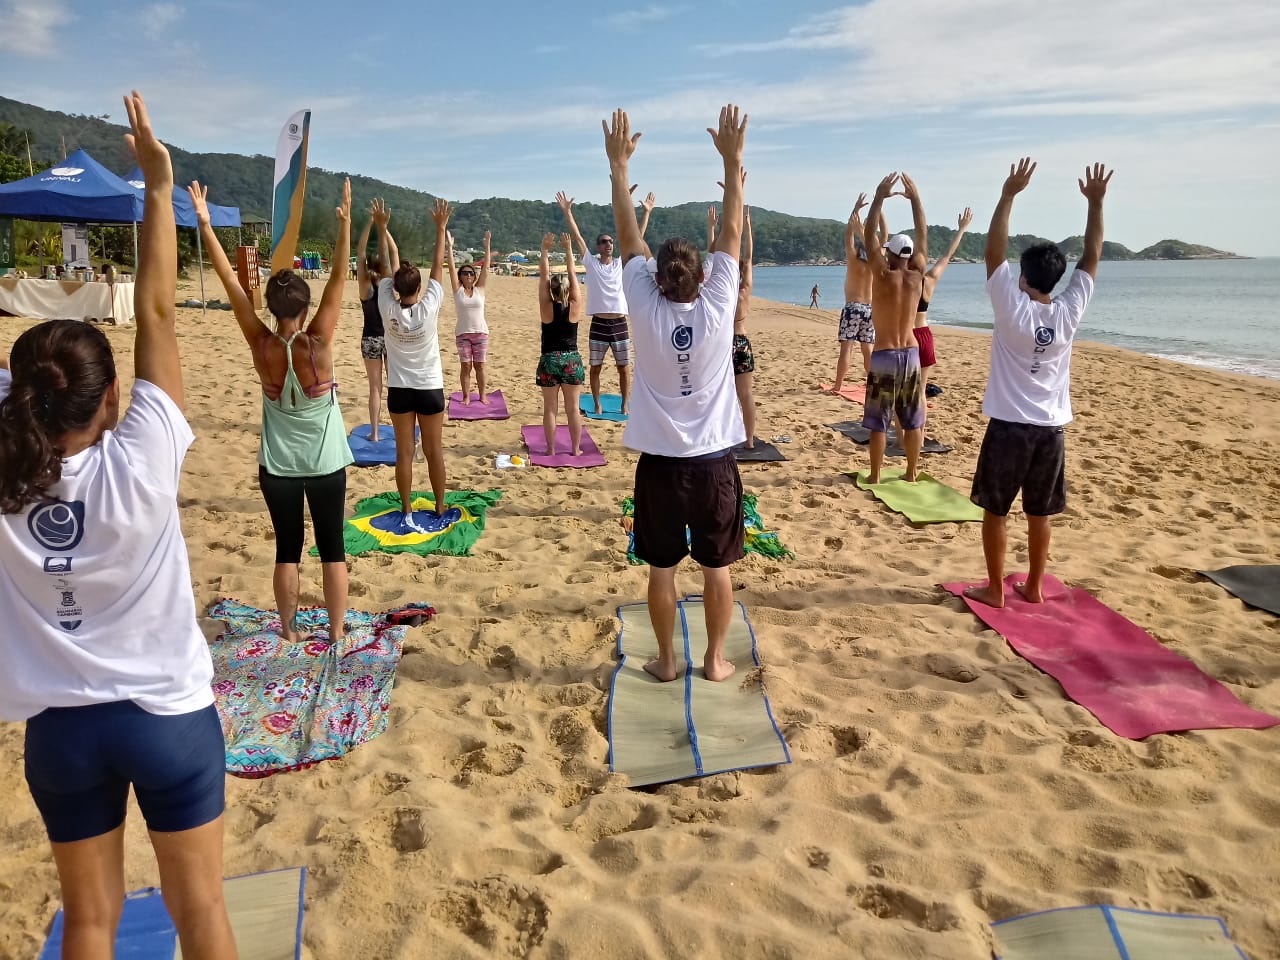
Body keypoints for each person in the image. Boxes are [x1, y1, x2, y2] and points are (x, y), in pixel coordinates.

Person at [0, 91, 237, 958]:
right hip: (164, 716)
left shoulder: (6, 468)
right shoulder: (140, 457)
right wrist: (158, 185)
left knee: (91, 920)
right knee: (201, 911)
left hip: (60, 728)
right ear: (111, 402)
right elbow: (161, 313)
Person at [606, 103, 748, 683]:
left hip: (661, 465)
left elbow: (627, 232)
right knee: (717, 569)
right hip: (713, 463)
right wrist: (734, 163)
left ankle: (667, 661)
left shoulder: (642, 304)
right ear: (701, 277)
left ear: (659, 278)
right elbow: (734, 231)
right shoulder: (718, 306)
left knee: (662, 568)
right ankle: (714, 661)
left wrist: (618, 170)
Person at [190, 176, 354, 644]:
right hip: (324, 464)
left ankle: (288, 630)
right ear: (304, 306)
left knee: (287, 548)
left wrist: (205, 224)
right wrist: (344, 226)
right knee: (333, 550)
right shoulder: (317, 341)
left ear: (272, 305)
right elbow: (340, 277)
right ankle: (337, 632)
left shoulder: (260, 342)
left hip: (277, 466)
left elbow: (229, 283)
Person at [965, 158, 1112, 608]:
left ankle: (995, 589)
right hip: (1050, 430)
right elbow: (1092, 255)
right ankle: (1033, 586)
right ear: (1056, 278)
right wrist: (1096, 203)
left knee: (996, 510)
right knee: (1039, 512)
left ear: (1023, 276)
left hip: (1010, 426)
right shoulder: (1068, 311)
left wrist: (1008, 194)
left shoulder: (1012, 307)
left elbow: (994, 251)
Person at [376, 198, 454, 530]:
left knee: (404, 452)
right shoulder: (429, 306)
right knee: (434, 451)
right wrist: (440, 228)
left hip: (400, 390)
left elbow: (383, 266)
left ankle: (406, 508)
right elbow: (437, 265)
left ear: (394, 288)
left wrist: (381, 228)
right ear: (419, 288)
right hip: (429, 387)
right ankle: (438, 505)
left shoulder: (386, 305)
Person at [862, 172, 928, 485]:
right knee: (912, 421)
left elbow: (867, 235)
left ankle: (875, 475)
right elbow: (923, 234)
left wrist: (879, 197)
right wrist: (915, 199)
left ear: (890, 254)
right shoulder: (918, 275)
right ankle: (911, 473)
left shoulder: (883, 275)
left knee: (879, 423)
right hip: (912, 355)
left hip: (886, 355)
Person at [556, 190, 632, 415]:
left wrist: (639, 209)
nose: (608, 244)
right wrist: (568, 212)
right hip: (599, 323)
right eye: (604, 242)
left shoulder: (619, 263)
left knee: (624, 368)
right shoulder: (591, 263)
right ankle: (597, 403)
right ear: (598, 247)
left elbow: (635, 235)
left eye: (610, 241)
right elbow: (578, 237)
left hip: (619, 323)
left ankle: (624, 404)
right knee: (595, 367)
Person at [709, 179, 757, 448]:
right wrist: (747, 228)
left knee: (721, 393)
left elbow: (713, 255)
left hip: (723, 342)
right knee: (745, 394)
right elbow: (748, 257)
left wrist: (712, 229)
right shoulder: (745, 288)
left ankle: (723, 437)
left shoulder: (721, 288)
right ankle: (749, 440)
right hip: (741, 341)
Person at [913, 207, 973, 414]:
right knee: (920, 390)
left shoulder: (899, 283)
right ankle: (918, 437)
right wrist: (962, 230)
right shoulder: (928, 280)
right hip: (924, 335)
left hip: (906, 337)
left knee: (903, 392)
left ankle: (904, 438)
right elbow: (948, 255)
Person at [535, 232, 585, 456]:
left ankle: (551, 449)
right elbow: (573, 273)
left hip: (549, 360)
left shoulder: (546, 307)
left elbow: (544, 275)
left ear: (552, 290)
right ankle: (575, 449)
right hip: (571, 359)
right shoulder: (575, 306)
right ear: (567, 290)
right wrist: (567, 249)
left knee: (550, 409)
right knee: (573, 409)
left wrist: (545, 249)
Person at [833, 194, 886, 389]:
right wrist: (878, 211)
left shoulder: (854, 259)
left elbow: (848, 237)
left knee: (846, 348)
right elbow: (883, 236)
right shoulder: (875, 261)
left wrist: (855, 210)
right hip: (869, 308)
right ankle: (873, 386)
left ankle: (838, 385)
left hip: (853, 307)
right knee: (867, 351)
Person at [356, 199, 390, 442]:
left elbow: (359, 252)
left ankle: (375, 434)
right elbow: (390, 254)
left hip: (369, 338)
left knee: (375, 388)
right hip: (390, 337)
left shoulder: (364, 286)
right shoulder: (388, 284)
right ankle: (401, 428)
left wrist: (369, 224)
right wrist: (382, 226)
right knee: (397, 387)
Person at [447, 229, 491, 405]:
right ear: (460, 276)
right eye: (465, 273)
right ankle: (466, 396)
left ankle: (482, 395)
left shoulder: (480, 290)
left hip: (480, 333)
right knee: (465, 366)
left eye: (471, 273)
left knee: (480, 365)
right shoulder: (457, 291)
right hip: (463, 334)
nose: (468, 275)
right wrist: (450, 247)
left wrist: (487, 245)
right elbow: (450, 267)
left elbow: (486, 267)